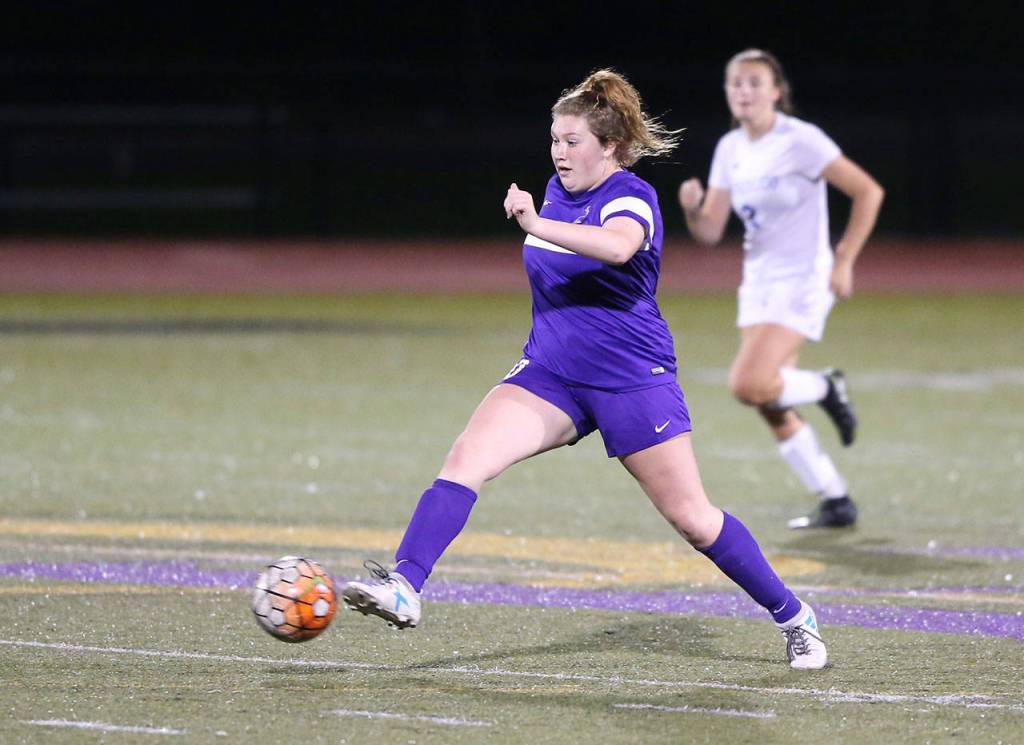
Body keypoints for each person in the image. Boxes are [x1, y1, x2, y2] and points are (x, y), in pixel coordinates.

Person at [343, 69, 827, 669]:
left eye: (573, 141)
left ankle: (793, 615)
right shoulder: (555, 188)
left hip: (631, 378)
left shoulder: (631, 196)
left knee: (694, 520)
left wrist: (536, 225)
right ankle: (405, 585)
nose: (560, 152)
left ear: (612, 146)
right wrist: (544, 216)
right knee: (467, 458)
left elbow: (619, 246)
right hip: (551, 372)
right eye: (555, 139)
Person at [678, 49, 884, 529]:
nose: (744, 91)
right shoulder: (730, 148)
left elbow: (868, 191)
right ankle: (835, 498)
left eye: (754, 82)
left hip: (805, 277)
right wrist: (691, 208)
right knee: (768, 399)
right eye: (735, 83)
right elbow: (710, 231)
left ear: (775, 91)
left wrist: (846, 258)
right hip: (759, 282)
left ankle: (825, 385)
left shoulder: (801, 140)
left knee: (747, 383)